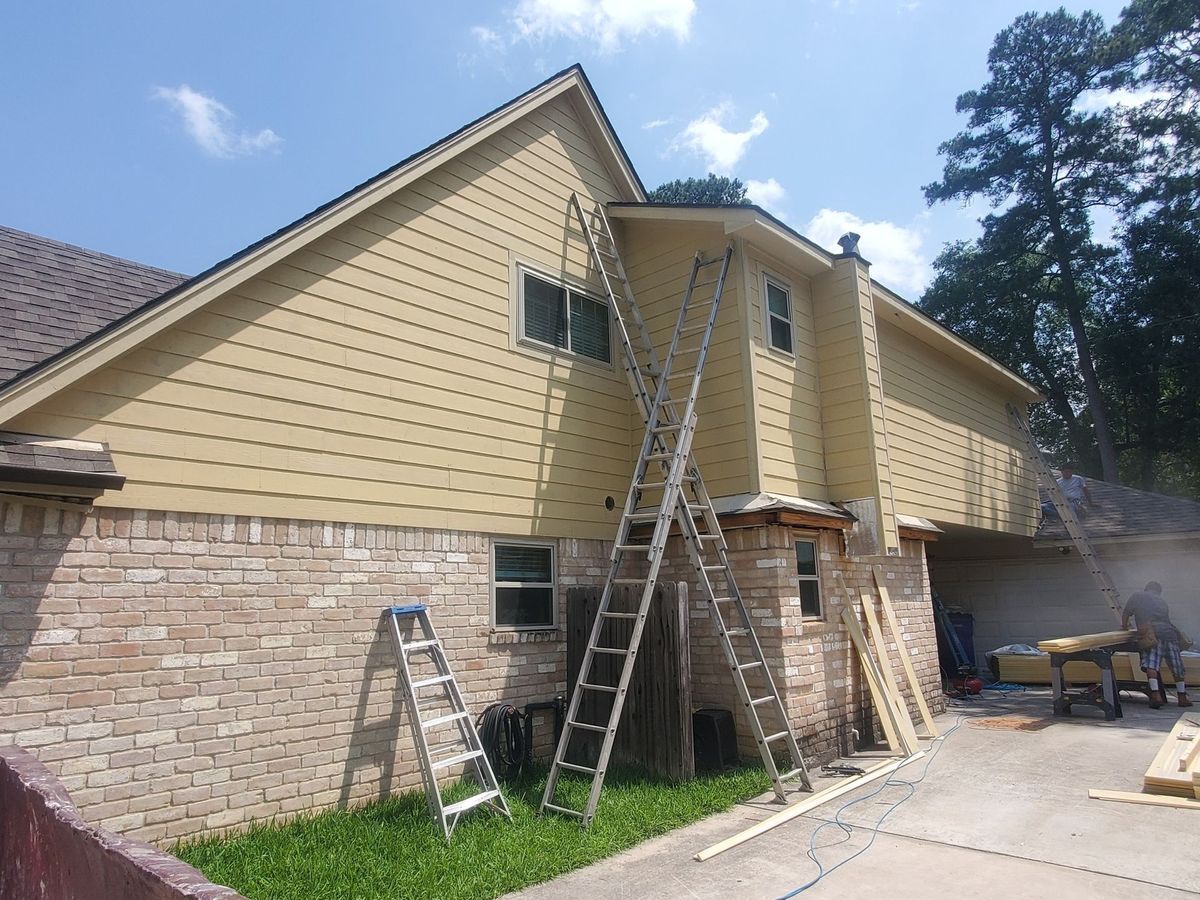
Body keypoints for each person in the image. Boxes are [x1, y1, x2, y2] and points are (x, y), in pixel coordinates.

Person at [1122, 581, 1192, 708]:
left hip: (1152, 634)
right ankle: (1182, 698)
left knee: (1152, 665)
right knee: (1177, 667)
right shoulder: (1162, 601)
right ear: (1158, 591)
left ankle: (1155, 695)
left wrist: (1123, 628)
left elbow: (1126, 613)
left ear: (1146, 588)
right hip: (1170, 635)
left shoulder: (1137, 595)